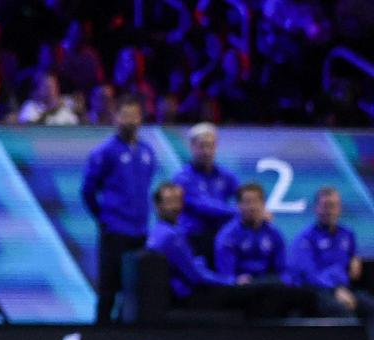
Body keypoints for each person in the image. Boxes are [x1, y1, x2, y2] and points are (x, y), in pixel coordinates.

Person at [149, 182, 314, 319]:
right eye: (169, 202)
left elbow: (282, 268)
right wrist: (231, 281)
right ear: (157, 206)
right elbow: (196, 277)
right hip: (188, 295)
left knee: (281, 290)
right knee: (267, 294)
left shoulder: (162, 231)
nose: (175, 207)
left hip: (205, 287)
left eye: (178, 201)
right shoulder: (172, 236)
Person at [80, 94, 156, 323]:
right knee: (108, 289)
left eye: (134, 116)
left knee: (133, 291)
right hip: (115, 230)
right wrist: (103, 218)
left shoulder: (147, 152)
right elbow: (88, 191)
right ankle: (99, 337)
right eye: (125, 116)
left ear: (140, 119)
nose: (130, 121)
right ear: (116, 118)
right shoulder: (105, 152)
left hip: (139, 231)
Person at [288, 187, 374, 331]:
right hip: (317, 291)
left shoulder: (347, 234)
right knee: (344, 314)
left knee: (370, 307)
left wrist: (354, 259)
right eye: (325, 206)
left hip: (344, 288)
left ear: (340, 208)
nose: (330, 211)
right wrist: (335, 290)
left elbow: (351, 257)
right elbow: (310, 274)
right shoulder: (306, 238)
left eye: (334, 206)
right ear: (316, 208)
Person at [172, 122, 239, 263]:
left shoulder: (224, 175)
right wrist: (236, 212)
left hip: (220, 238)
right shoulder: (183, 178)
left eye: (211, 145)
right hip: (193, 238)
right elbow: (202, 206)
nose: (206, 151)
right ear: (192, 147)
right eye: (202, 146)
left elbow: (243, 194)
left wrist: (256, 210)